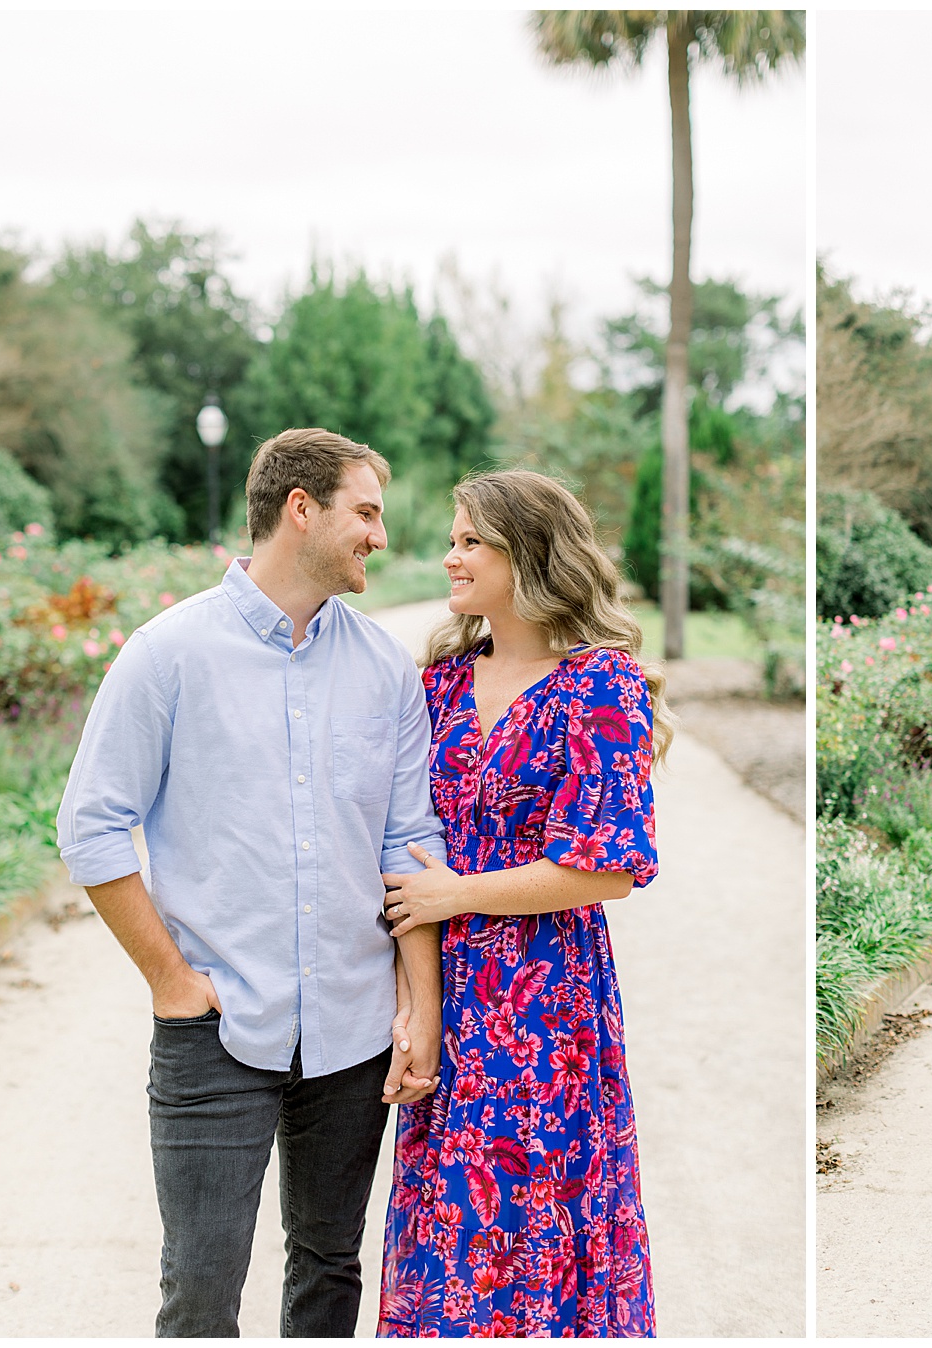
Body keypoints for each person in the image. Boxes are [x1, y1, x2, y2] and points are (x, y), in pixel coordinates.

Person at [55, 428, 446, 1336]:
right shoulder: (168, 654)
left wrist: (418, 1007)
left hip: (350, 1036)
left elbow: (408, 843)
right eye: (366, 512)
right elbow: (91, 825)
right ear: (299, 509)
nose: (379, 537)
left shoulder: (386, 666)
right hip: (216, 1029)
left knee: (328, 1268)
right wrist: (169, 981)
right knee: (198, 1292)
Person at [374, 469, 671, 1337]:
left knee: (539, 1215)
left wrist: (454, 896)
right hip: (449, 990)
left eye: (471, 541)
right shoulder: (436, 687)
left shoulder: (600, 686)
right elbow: (403, 859)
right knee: (452, 1224)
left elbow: (610, 867)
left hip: (548, 1001)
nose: (448, 556)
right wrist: (415, 1004)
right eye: (453, 538)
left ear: (527, 555)